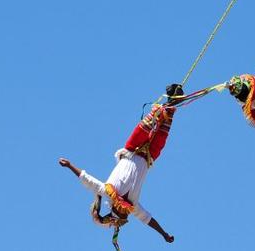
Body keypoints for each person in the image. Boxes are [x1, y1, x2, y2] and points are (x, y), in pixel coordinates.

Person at [58, 83, 183, 241]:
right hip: (150, 156)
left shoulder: (107, 191)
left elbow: (86, 179)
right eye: (126, 216)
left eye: (123, 214)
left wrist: (69, 165)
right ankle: (173, 101)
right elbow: (148, 220)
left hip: (132, 148)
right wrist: (164, 234)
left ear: (116, 209)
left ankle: (168, 99)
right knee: (164, 128)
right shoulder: (134, 206)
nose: (127, 213)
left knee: (150, 122)